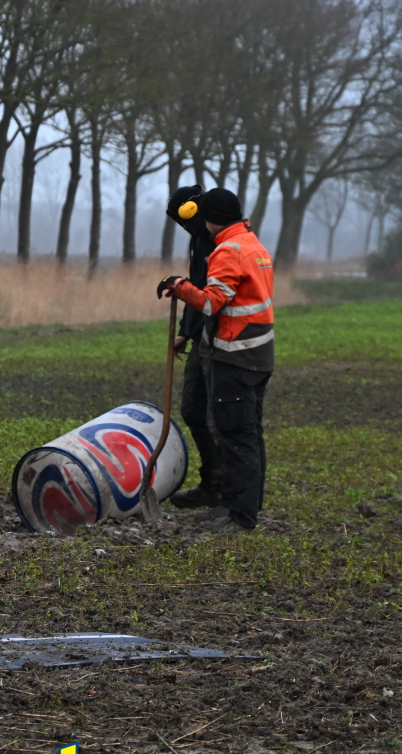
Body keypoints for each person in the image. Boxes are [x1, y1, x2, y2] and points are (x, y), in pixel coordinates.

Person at [156, 187, 274, 534]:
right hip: (257, 353)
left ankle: (240, 514)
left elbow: (210, 302)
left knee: (236, 434)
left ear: (207, 216)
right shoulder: (252, 244)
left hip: (234, 354)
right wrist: (189, 331)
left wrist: (179, 286)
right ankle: (243, 506)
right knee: (248, 432)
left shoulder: (227, 250)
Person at [164, 185, 223, 509]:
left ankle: (228, 489)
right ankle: (212, 483)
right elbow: (196, 287)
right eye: (180, 223)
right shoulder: (197, 239)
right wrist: (185, 332)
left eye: (186, 219)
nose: (185, 227)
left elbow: (214, 296)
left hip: (222, 340)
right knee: (191, 409)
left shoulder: (223, 242)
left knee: (219, 417)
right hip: (200, 335)